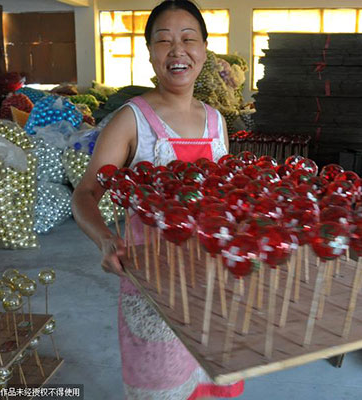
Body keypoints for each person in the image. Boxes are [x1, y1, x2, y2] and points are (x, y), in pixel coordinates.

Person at [72, 1, 244, 398]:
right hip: (155, 284)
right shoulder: (132, 119)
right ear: (150, 52)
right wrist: (104, 239)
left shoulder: (218, 121)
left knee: (216, 381)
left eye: (188, 39)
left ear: (204, 48)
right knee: (162, 385)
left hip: (215, 280)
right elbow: (85, 194)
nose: (177, 51)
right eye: (164, 41)